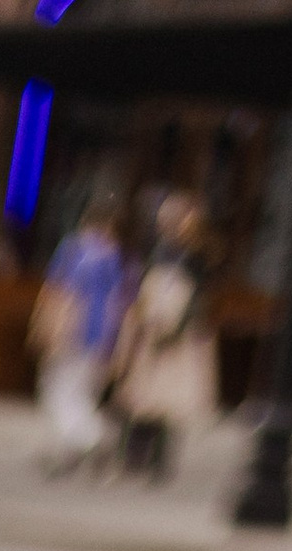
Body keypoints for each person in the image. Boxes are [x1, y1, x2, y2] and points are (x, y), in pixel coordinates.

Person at [114, 192, 216, 483]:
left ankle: (159, 461)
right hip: (149, 329)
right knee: (139, 396)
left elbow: (198, 299)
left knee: (167, 401)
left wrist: (178, 329)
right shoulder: (157, 250)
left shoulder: (196, 257)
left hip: (177, 338)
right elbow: (143, 288)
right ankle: (132, 455)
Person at [31, 195, 125, 474]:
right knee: (83, 391)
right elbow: (117, 301)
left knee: (57, 389)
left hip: (71, 328)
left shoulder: (74, 248)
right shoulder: (114, 255)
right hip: (101, 333)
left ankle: (90, 437)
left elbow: (57, 288)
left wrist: (44, 324)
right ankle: (78, 445)